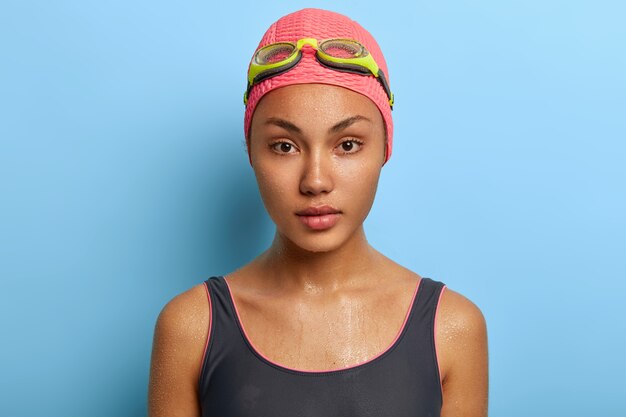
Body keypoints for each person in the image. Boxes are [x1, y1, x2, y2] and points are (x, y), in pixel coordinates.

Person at [148, 8, 488, 417]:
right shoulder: (191, 328)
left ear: (385, 148)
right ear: (251, 152)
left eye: (347, 144)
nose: (315, 181)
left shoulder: (450, 328)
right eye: (284, 146)